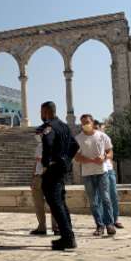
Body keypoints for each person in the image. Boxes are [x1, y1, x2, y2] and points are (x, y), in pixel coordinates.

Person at [40, 101, 79, 251]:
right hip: (62, 169)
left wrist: (46, 163)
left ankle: (68, 238)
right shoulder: (64, 126)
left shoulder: (49, 127)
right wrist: (66, 160)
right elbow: (75, 146)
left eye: (41, 112)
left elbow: (48, 144)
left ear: (46, 112)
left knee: (56, 203)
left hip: (53, 170)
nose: (41, 115)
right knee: (61, 202)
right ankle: (68, 235)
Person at [75, 114, 115, 237]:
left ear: (92, 122)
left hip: (102, 172)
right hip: (87, 174)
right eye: (83, 123)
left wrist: (105, 157)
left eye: (87, 122)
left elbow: (110, 152)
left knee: (106, 198)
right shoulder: (78, 139)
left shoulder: (102, 136)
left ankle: (109, 224)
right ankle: (99, 225)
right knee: (93, 202)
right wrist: (88, 160)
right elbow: (76, 157)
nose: (85, 124)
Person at [30, 127, 58, 235]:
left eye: (39, 133)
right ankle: (41, 226)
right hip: (38, 177)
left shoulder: (53, 146)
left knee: (53, 203)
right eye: (37, 133)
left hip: (49, 176)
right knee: (38, 203)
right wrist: (33, 177)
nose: (37, 135)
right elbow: (36, 163)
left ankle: (56, 227)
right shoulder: (39, 146)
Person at [95, 120, 123, 229]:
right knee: (101, 198)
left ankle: (115, 219)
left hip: (109, 170)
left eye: (98, 127)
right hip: (98, 171)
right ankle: (103, 221)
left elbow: (110, 154)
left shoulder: (105, 138)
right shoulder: (90, 140)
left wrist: (106, 158)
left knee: (113, 195)